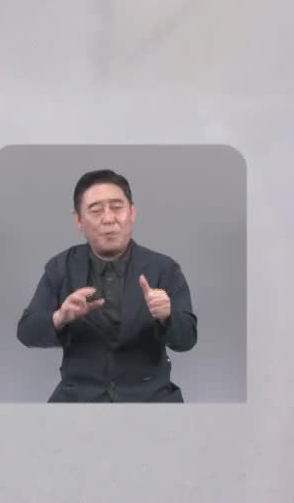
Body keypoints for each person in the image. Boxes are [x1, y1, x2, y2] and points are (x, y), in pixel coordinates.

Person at [15, 169, 198, 401]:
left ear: (132, 212)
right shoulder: (61, 268)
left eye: (117, 207)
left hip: (150, 397)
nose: (109, 218)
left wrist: (166, 317)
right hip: (78, 398)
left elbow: (187, 339)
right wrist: (59, 317)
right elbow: (26, 331)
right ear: (79, 220)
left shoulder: (164, 268)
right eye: (96, 210)